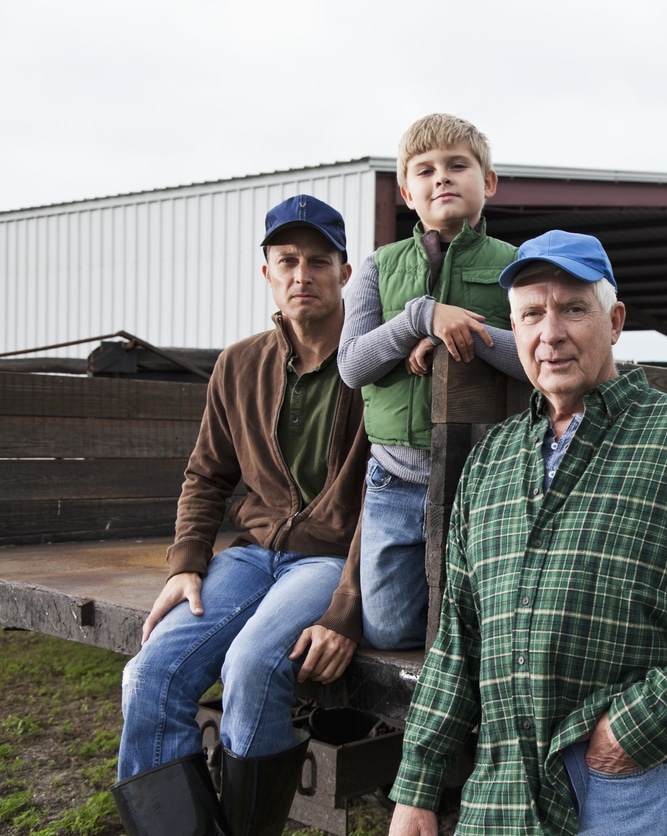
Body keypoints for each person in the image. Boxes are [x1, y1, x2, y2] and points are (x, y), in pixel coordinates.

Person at [387, 231, 667, 835]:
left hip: (631, 781)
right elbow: (458, 638)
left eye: (573, 308)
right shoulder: (491, 460)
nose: (551, 334)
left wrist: (630, 731)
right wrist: (417, 787)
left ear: (614, 320)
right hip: (504, 793)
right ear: (513, 331)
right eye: (531, 314)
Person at [112, 194, 370, 836]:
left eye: (318, 260)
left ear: (344, 271)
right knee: (149, 674)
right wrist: (187, 562)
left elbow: (392, 492)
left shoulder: (375, 361)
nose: (302, 274)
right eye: (287, 260)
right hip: (253, 556)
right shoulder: (239, 363)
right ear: (267, 274)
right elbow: (207, 473)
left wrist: (347, 599)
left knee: (252, 666)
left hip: (329, 559)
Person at [339, 112, 523, 651]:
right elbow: (352, 365)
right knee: (388, 629)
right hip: (395, 480)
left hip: (486, 481)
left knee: (483, 625)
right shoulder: (377, 267)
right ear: (406, 192)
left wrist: (459, 333)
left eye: (457, 165)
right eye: (425, 170)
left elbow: (537, 361)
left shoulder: (517, 266)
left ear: (486, 182)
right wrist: (421, 317)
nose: (441, 177)